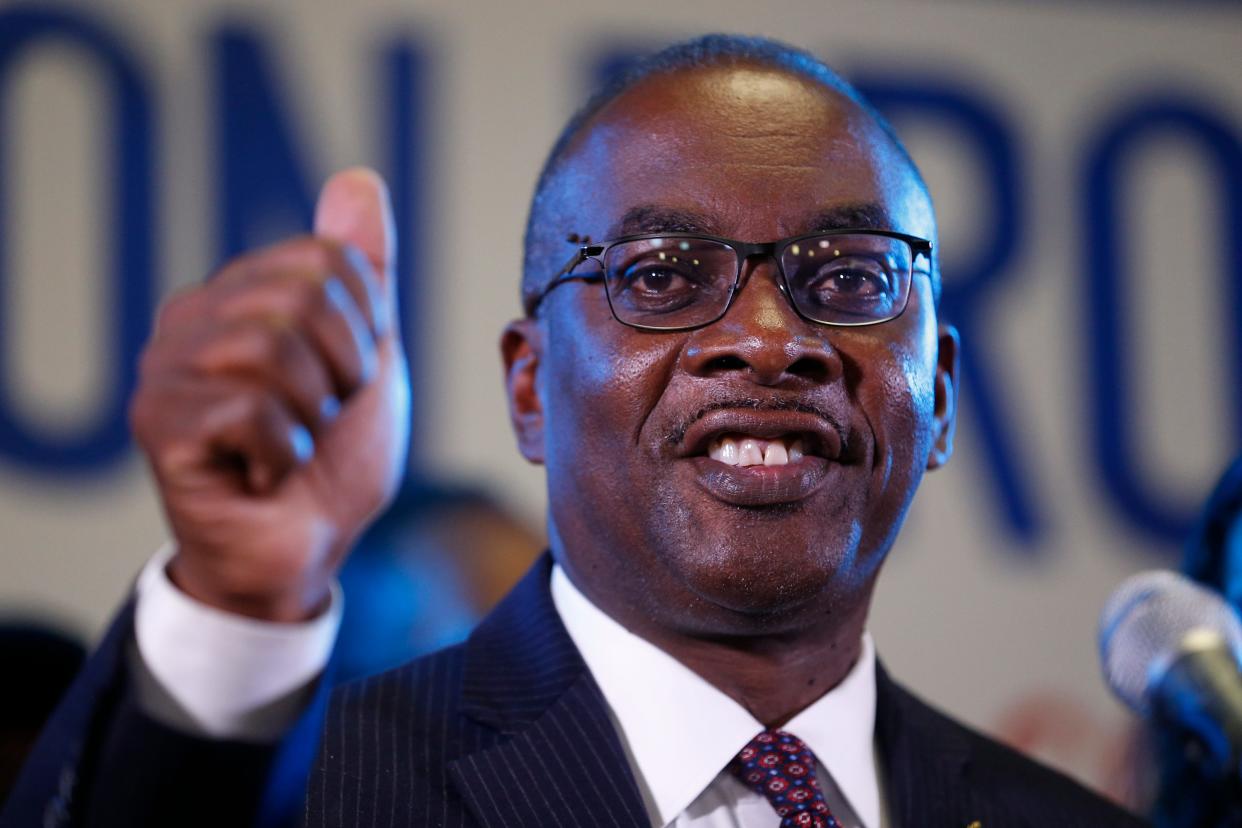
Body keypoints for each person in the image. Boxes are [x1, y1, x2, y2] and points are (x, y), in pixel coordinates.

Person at [2, 35, 1146, 827]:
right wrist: (236, 605)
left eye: (848, 277)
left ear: (938, 394)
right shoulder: (326, 791)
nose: (767, 336)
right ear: (530, 388)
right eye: (661, 273)